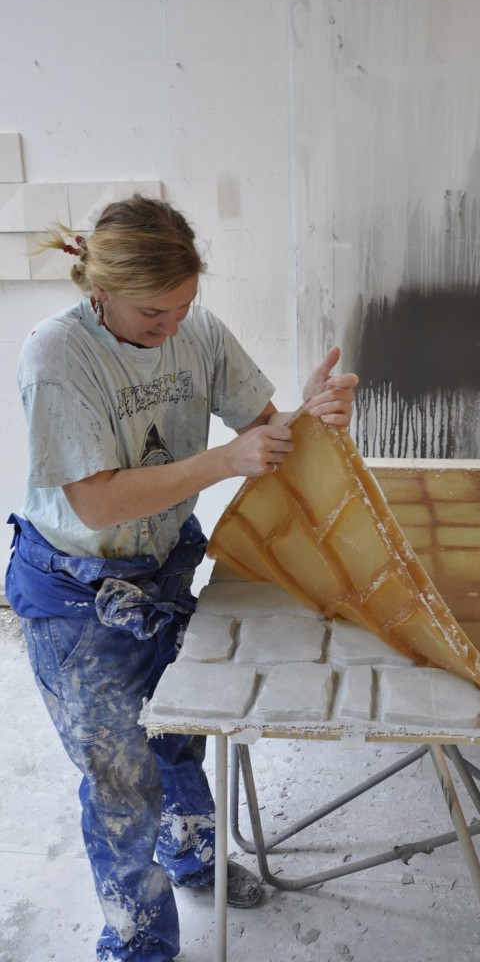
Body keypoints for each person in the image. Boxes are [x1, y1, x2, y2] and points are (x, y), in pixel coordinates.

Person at [4, 194, 358, 962]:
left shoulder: (197, 332)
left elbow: (266, 436)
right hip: (79, 596)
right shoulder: (56, 357)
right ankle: (139, 945)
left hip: (164, 569)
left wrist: (313, 413)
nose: (171, 327)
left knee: (177, 737)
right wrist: (223, 462)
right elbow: (94, 501)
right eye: (151, 315)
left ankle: (194, 856)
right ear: (98, 293)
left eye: (184, 305)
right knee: (120, 782)